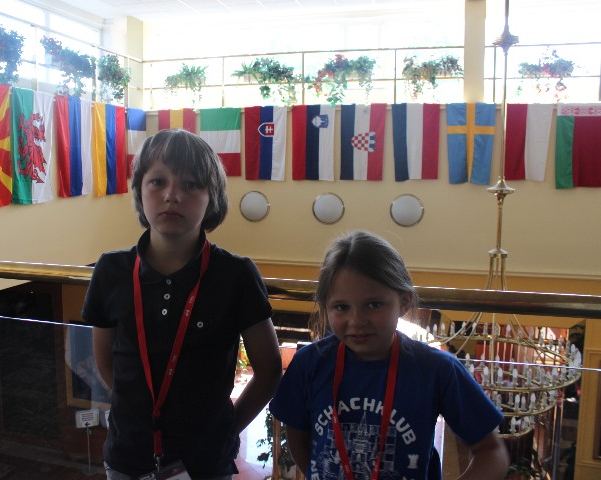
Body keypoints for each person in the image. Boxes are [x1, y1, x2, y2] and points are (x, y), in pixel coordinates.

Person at [83, 129, 282, 479]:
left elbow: (269, 371)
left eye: (191, 185)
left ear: (212, 198)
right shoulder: (111, 270)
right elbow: (107, 363)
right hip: (128, 456)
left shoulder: (235, 275)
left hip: (206, 463)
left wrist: (225, 429)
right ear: (139, 191)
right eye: (158, 182)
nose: (172, 195)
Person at [269, 230, 509, 480]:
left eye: (373, 304)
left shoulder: (437, 369)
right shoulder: (309, 364)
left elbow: (491, 452)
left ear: (403, 302)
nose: (357, 320)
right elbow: (299, 439)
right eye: (341, 307)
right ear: (326, 307)